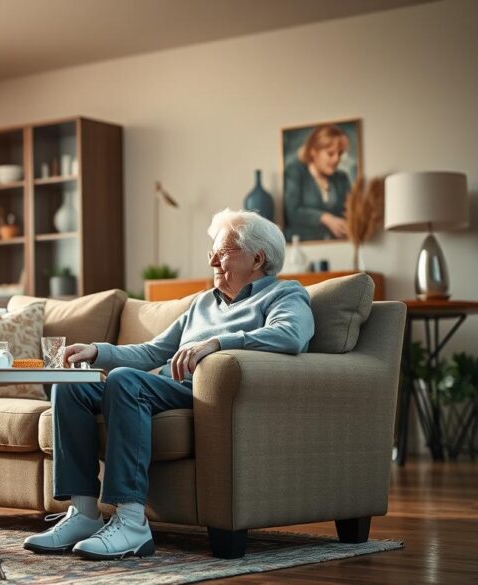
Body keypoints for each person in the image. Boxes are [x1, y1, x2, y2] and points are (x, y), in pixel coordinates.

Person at [23, 208, 314, 560]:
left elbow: (290, 335)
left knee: (125, 382)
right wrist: (97, 351)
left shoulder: (285, 295)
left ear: (257, 258)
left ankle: (132, 523)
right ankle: (84, 514)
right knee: (71, 385)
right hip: (166, 387)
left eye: (221, 253)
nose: (212, 263)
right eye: (213, 254)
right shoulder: (203, 303)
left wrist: (217, 343)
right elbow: (153, 351)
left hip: (207, 395)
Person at [283, 124, 353, 241]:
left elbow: (351, 212)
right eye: (330, 153)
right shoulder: (295, 172)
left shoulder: (342, 178)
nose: (337, 159)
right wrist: (325, 218)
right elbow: (293, 212)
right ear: (314, 151)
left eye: (340, 153)